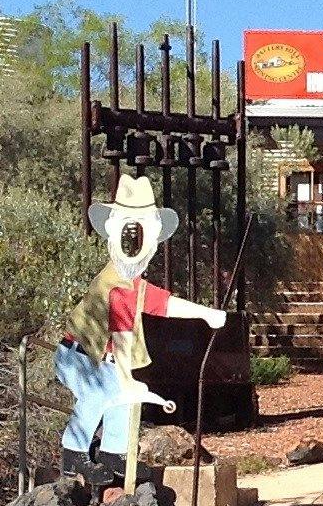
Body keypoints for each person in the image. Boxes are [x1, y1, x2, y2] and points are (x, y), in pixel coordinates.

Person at [57, 170, 228, 486]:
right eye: (128, 233)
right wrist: (126, 379)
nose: (134, 243)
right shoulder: (116, 285)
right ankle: (73, 454)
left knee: (122, 396)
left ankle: (114, 453)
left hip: (98, 360)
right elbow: (122, 336)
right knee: (102, 393)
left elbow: (162, 304)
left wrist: (206, 314)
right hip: (79, 358)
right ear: (112, 230)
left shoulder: (133, 284)